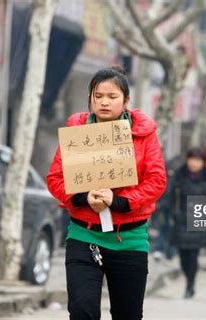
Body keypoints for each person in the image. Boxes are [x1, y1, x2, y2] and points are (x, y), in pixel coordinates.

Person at [47, 66, 167, 320]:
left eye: (112, 97)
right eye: (98, 96)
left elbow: (157, 181)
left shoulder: (144, 134)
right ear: (90, 98)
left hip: (129, 239)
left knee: (127, 315)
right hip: (84, 235)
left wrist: (120, 201)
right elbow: (55, 179)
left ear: (125, 101)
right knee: (82, 312)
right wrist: (82, 198)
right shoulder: (77, 132)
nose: (104, 102)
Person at [169, 148, 206, 299]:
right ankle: (188, 277)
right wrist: (173, 213)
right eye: (192, 159)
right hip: (182, 217)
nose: (194, 163)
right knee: (183, 255)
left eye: (198, 160)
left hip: (199, 217)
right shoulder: (179, 176)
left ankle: (190, 284)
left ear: (203, 162)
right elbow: (170, 196)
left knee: (194, 254)